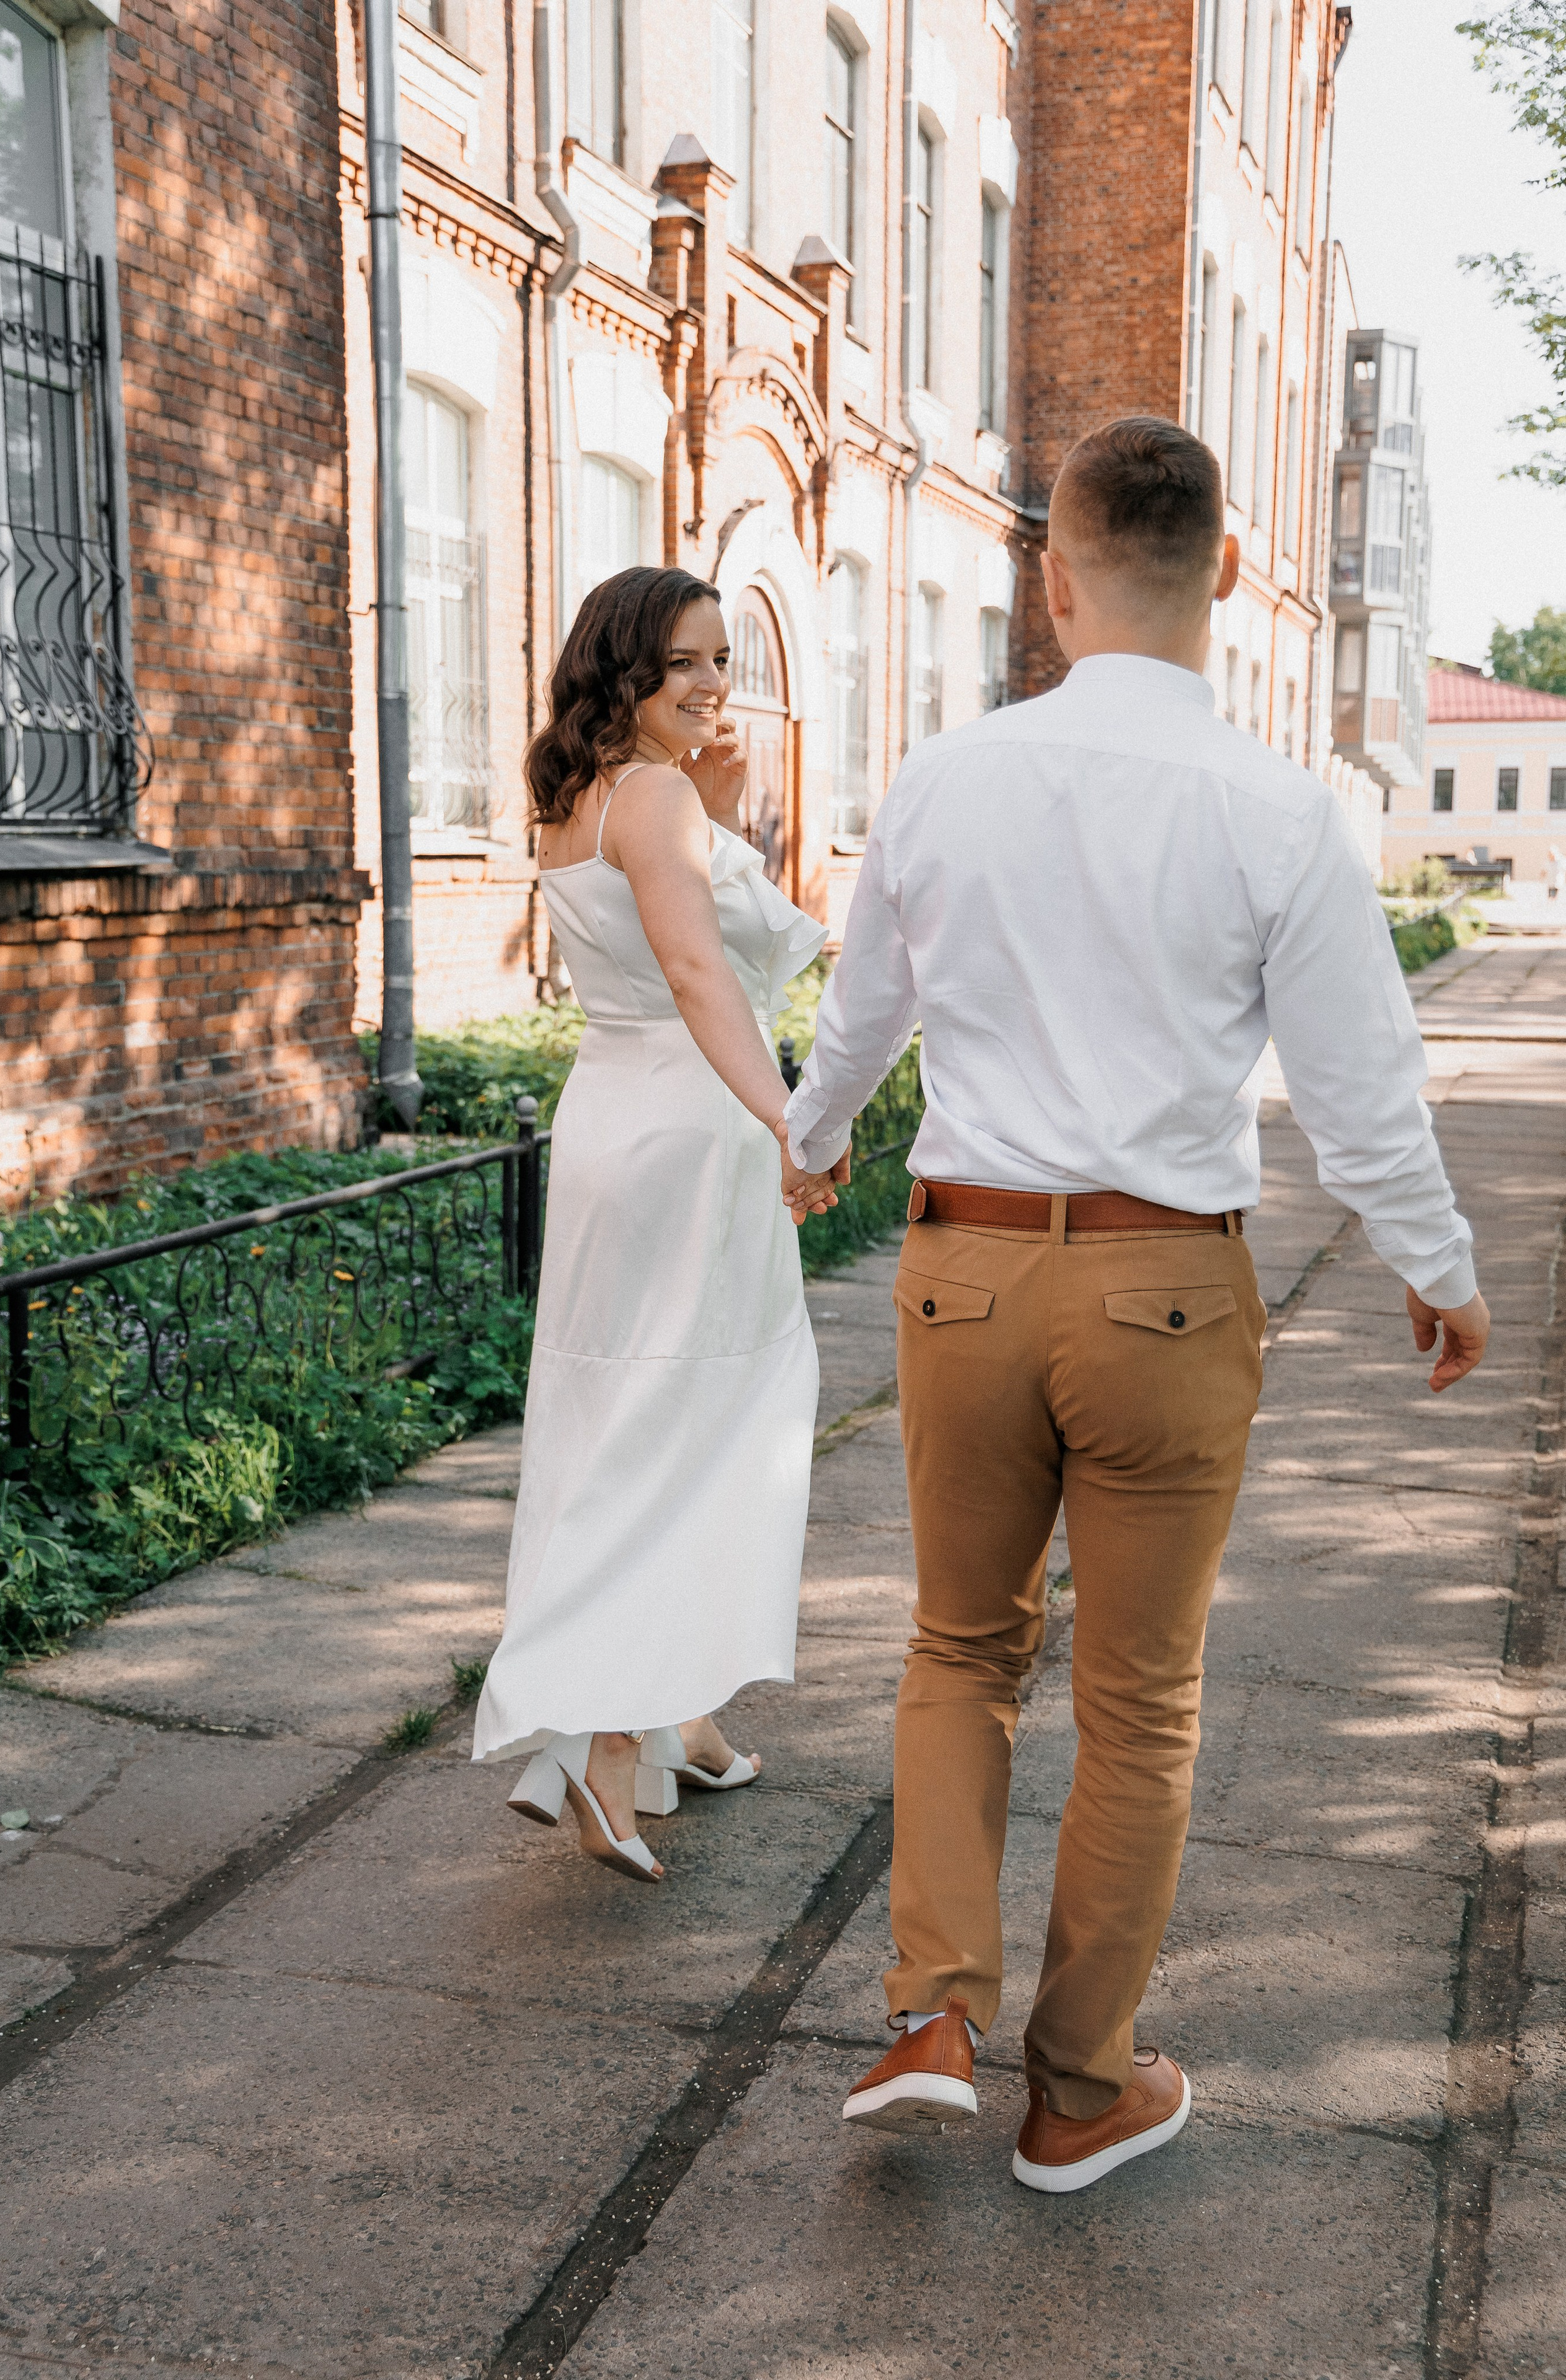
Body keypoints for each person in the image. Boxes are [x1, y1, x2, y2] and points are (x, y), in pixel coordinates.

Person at [782, 416, 1490, 2192]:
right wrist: (1438, 1267)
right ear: (1227, 572)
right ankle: (1077, 2093)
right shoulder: (1277, 808)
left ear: (1055, 578)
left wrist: (811, 1138)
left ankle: (930, 2011)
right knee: (1141, 1699)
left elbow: (860, 1019)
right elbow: (1360, 1095)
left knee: (960, 1647)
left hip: (960, 1274)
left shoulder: (946, 778)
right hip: (1165, 1289)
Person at [474, 566, 831, 1882]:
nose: (711, 684)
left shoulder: (580, 792)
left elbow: (670, 937)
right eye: (683, 661)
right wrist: (792, 1118)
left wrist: (717, 813)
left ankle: (681, 1717)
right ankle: (607, 1741)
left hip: (611, 1124)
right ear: (622, 666)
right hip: (692, 1131)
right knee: (696, 1427)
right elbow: (695, 970)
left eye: (722, 660)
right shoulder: (657, 797)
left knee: (621, 1417)